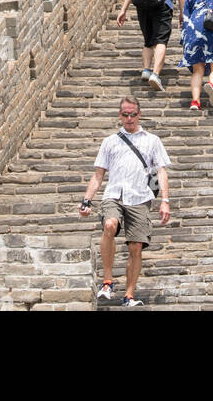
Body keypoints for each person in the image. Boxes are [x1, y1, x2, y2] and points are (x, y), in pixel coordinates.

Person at [79, 97, 171, 308]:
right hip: (115, 194)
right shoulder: (110, 141)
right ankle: (108, 282)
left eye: (133, 114)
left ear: (139, 114)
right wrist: (87, 200)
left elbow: (161, 171)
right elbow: (98, 175)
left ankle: (129, 295)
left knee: (136, 246)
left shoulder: (152, 140)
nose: (129, 119)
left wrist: (165, 201)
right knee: (110, 224)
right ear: (119, 115)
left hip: (140, 197)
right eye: (125, 115)